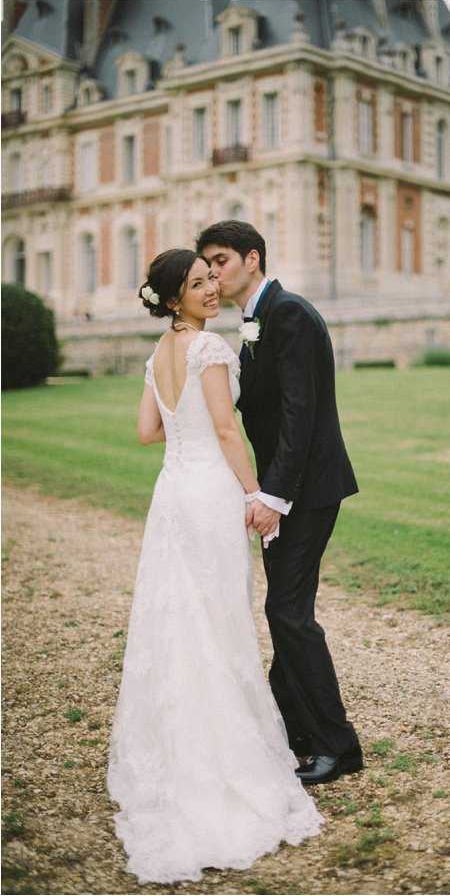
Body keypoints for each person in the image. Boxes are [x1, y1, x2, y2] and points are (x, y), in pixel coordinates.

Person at [106, 249, 324, 885]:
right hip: (209, 494)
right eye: (196, 284)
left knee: (179, 615)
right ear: (173, 298)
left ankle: (174, 747)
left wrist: (184, 434)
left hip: (173, 492)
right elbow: (228, 432)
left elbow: (148, 431)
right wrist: (259, 496)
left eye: (210, 278)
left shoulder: (157, 356)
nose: (209, 289)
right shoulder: (211, 350)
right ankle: (221, 754)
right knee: (218, 616)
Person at [197, 221, 363, 786]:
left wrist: (273, 495)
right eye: (207, 264)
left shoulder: (288, 314)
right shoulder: (257, 321)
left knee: (287, 613)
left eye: (220, 260)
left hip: (306, 491)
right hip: (292, 487)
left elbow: (300, 414)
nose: (214, 272)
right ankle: (286, 730)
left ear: (252, 257)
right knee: (288, 611)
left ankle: (336, 746)